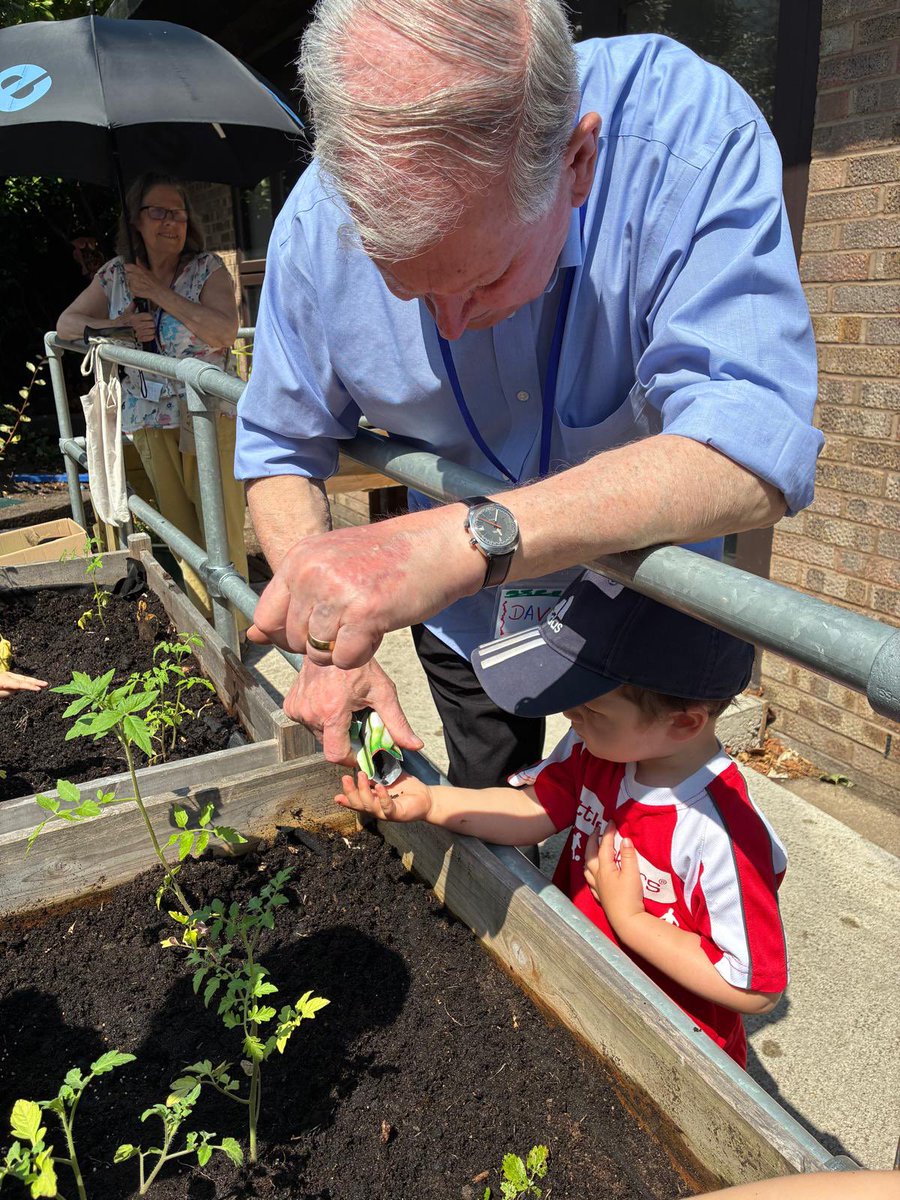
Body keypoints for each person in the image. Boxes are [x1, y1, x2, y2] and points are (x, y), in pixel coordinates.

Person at [237, 0, 822, 783]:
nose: (449, 327)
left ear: (577, 163)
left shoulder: (687, 134)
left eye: (483, 280)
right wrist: (326, 642)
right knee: (491, 805)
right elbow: (278, 444)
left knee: (635, 837)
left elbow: (753, 442)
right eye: (405, 289)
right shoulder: (313, 227)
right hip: (462, 622)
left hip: (642, 616)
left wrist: (462, 543)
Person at [335, 571, 788, 1067]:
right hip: (585, 992)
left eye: (591, 707)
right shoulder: (597, 747)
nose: (570, 715)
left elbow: (752, 986)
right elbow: (535, 809)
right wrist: (431, 803)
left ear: (684, 722)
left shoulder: (721, 833)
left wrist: (630, 921)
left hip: (670, 1050)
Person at [57, 174, 248, 629]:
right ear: (136, 220)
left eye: (178, 212)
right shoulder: (117, 273)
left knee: (218, 523)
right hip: (145, 416)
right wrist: (116, 326)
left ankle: (236, 627)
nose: (170, 222)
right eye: (158, 212)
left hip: (205, 417)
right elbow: (66, 325)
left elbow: (223, 331)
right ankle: (205, 624)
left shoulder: (207, 269)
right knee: (178, 527)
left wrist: (159, 294)